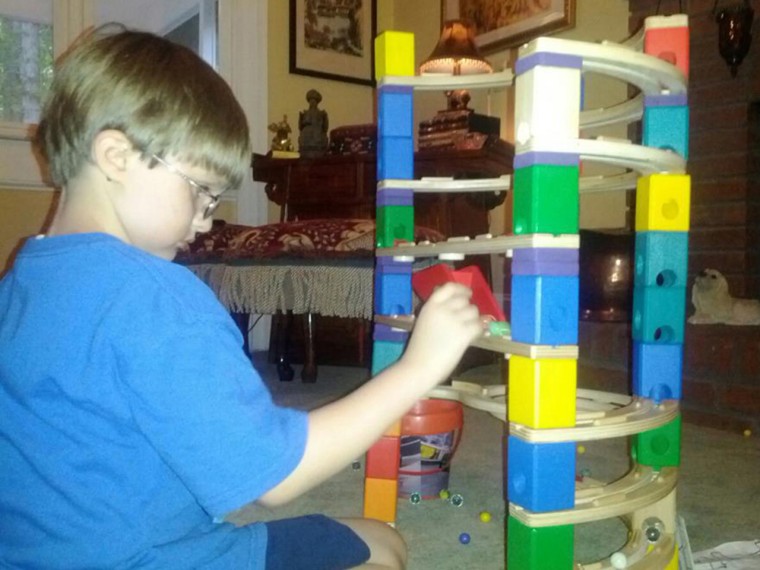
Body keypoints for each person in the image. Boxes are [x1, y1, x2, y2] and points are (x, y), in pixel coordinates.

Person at [0, 27, 482, 570]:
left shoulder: (20, 282)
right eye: (199, 190)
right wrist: (419, 367)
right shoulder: (159, 299)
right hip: (145, 558)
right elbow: (277, 477)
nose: (206, 218)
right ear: (117, 155)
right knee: (381, 546)